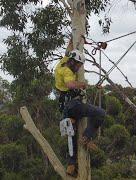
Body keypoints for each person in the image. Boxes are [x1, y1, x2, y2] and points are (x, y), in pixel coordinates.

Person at [54, 40, 106, 177]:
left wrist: (74, 40)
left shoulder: (64, 61)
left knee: (72, 134)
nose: (78, 68)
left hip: (65, 107)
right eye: (78, 65)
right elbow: (71, 84)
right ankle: (87, 137)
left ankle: (71, 165)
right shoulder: (67, 71)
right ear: (74, 63)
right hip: (73, 105)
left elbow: (68, 50)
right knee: (100, 113)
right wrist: (83, 85)